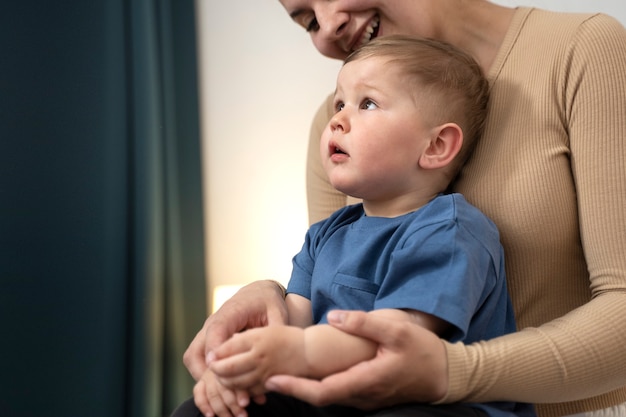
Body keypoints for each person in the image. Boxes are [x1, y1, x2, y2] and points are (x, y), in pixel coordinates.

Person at [179, 1, 626, 417]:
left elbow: (382, 336)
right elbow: (328, 301)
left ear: (438, 145)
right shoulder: (334, 128)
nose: (329, 23)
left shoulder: (582, 50)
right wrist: (261, 317)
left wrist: (454, 370)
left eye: (368, 103)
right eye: (308, 20)